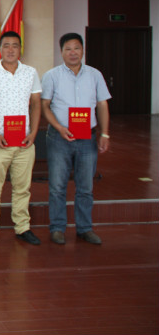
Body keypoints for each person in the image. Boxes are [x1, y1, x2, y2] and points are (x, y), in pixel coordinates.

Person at [41, 32, 111, 246]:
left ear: (82, 50)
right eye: (68, 49)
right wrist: (59, 128)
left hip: (87, 138)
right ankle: (57, 228)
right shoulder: (51, 76)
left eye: (77, 48)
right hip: (59, 138)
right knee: (57, 186)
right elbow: (44, 105)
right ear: (61, 52)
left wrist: (105, 133)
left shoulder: (95, 75)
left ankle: (84, 228)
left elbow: (102, 104)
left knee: (85, 187)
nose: (73, 52)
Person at [0, 31, 42, 246]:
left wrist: (33, 133)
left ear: (20, 49)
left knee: (23, 188)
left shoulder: (31, 73)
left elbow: (36, 104)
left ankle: (23, 227)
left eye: (15, 45)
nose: (11, 49)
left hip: (24, 142)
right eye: (6, 45)